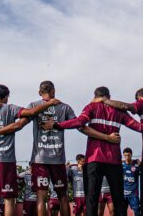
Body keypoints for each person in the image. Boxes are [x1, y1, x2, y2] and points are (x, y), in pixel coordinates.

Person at [40, 86, 143, 216]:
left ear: (95, 97)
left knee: (91, 198)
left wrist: (57, 125)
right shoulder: (118, 111)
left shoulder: (91, 107)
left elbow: (79, 122)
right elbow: (138, 126)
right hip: (114, 161)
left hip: (94, 160)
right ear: (109, 97)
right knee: (118, 199)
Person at [27, 81, 117, 216]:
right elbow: (80, 126)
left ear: (40, 92)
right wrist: (106, 137)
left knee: (41, 197)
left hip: (39, 158)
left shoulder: (34, 106)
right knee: (63, 195)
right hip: (57, 159)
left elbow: (21, 120)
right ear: (53, 91)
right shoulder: (64, 108)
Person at [0, 84, 57, 216]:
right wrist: (50, 103)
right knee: (9, 199)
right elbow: (30, 113)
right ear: (6, 96)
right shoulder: (11, 108)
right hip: (6, 160)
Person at [121, 149, 140, 216]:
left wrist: (139, 163)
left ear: (131, 155)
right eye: (125, 155)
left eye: (128, 155)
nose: (127, 157)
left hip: (134, 194)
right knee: (122, 213)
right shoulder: (121, 166)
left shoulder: (136, 165)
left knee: (137, 212)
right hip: (124, 194)